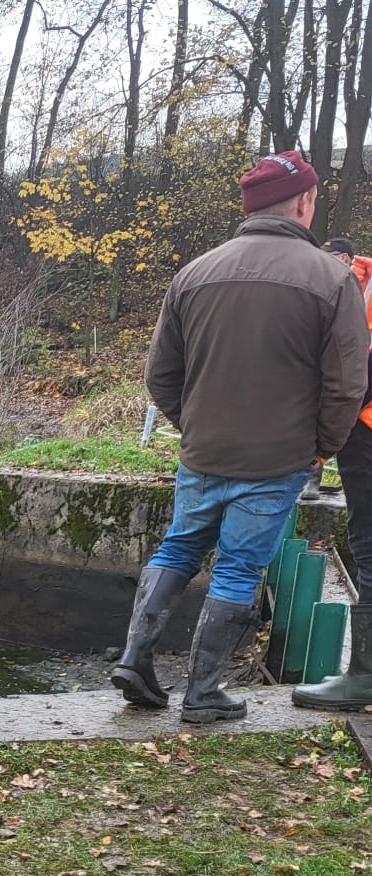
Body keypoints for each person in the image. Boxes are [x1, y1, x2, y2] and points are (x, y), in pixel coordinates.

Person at [112, 148, 368, 723]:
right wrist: (319, 447)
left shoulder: (194, 272)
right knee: (236, 568)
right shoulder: (332, 278)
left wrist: (195, 425)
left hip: (203, 452)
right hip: (277, 459)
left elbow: (161, 376)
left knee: (178, 545)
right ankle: (203, 693)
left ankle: (134, 657)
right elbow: (348, 384)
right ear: (304, 201)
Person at [295, 234, 372, 709]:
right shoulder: (355, 280)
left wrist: (326, 431)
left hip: (364, 427)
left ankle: (364, 676)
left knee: (368, 543)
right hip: (359, 426)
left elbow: (359, 371)